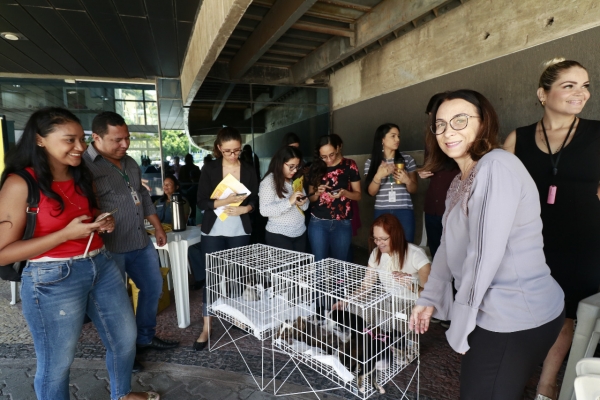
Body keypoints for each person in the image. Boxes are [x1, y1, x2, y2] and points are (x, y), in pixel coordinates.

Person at [409, 90, 565, 399]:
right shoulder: (459, 179)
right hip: (493, 310)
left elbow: (483, 254)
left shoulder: (496, 166)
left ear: (483, 124)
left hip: (515, 313)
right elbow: (447, 247)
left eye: (460, 120)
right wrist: (429, 298)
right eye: (439, 124)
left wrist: (461, 323)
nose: (447, 131)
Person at [0, 107, 159, 400]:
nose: (80, 147)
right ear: (39, 140)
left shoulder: (80, 173)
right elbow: (3, 253)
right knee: (57, 363)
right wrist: (64, 235)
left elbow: (87, 211)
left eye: (82, 140)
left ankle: (122, 394)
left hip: (102, 264)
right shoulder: (21, 183)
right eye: (69, 140)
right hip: (52, 277)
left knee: (125, 340)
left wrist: (101, 218)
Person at [503, 58, 600, 400]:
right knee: (527, 310)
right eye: (569, 85)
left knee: (566, 315)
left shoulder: (598, 133)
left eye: (585, 85)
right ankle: (517, 373)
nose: (581, 93)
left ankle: (546, 385)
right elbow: (501, 196)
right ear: (543, 94)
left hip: (584, 241)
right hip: (530, 243)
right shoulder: (518, 139)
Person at [84, 112, 179, 371]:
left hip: (140, 241)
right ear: (96, 138)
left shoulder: (130, 163)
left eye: (127, 138)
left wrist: (157, 228)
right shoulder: (84, 166)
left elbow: (143, 196)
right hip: (110, 248)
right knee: (117, 303)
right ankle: (125, 351)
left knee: (153, 288)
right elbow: (83, 206)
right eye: (117, 140)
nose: (125, 144)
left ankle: (145, 338)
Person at [190, 127, 259, 351]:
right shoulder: (210, 168)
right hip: (214, 229)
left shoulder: (248, 169)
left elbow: (255, 200)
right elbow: (201, 202)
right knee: (212, 278)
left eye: (237, 151)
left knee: (236, 276)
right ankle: (207, 327)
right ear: (219, 148)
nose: (233, 155)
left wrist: (246, 208)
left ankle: (235, 317)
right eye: (228, 151)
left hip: (239, 228)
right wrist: (223, 201)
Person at [332, 213, 431, 311]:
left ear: (396, 235)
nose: (378, 243)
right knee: (354, 310)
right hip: (386, 298)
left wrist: (412, 286)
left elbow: (430, 296)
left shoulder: (416, 255)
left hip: (411, 304)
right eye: (375, 238)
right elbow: (366, 287)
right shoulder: (376, 253)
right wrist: (347, 300)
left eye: (383, 239)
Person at [307, 134, 361, 261]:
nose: (328, 160)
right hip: (318, 222)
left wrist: (345, 193)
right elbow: (311, 199)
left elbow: (358, 195)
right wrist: (317, 193)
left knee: (340, 265)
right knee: (319, 264)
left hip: (342, 223)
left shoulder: (349, 165)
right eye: (323, 157)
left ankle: (339, 282)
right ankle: (319, 282)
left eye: (331, 154)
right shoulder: (315, 168)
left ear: (337, 148)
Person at [418, 93, 460, 257]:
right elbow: (429, 167)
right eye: (430, 117)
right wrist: (424, 172)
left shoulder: (459, 139)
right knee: (437, 255)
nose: (432, 121)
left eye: (435, 116)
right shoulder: (430, 139)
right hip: (432, 207)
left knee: (456, 256)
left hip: (453, 208)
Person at [364, 124, 418, 242]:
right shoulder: (371, 162)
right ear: (382, 139)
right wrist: (378, 176)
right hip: (381, 210)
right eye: (393, 136)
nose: (397, 139)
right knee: (383, 248)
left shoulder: (407, 159)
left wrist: (407, 180)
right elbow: (371, 192)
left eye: (398, 136)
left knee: (406, 247)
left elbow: (414, 189)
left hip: (404, 210)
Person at [259, 146, 309, 252]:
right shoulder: (269, 182)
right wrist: (289, 202)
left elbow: (305, 207)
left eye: (297, 166)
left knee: (299, 268)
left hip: (300, 232)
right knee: (284, 268)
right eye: (291, 166)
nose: (295, 170)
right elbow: (264, 211)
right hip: (279, 234)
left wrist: (303, 203)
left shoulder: (295, 179)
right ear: (280, 163)